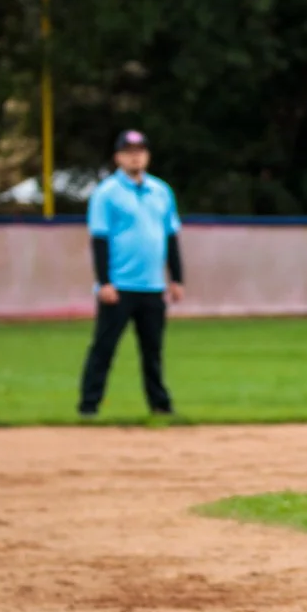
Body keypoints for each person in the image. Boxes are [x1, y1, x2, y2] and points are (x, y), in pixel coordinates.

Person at [77, 130, 184, 418]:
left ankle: (159, 405)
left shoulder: (161, 191)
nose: (135, 155)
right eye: (129, 151)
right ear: (118, 157)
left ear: (147, 155)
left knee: (153, 351)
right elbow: (99, 239)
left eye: (140, 150)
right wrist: (104, 282)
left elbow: (171, 237)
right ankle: (89, 405)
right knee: (104, 347)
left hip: (152, 285)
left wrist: (176, 279)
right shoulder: (106, 193)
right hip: (119, 286)